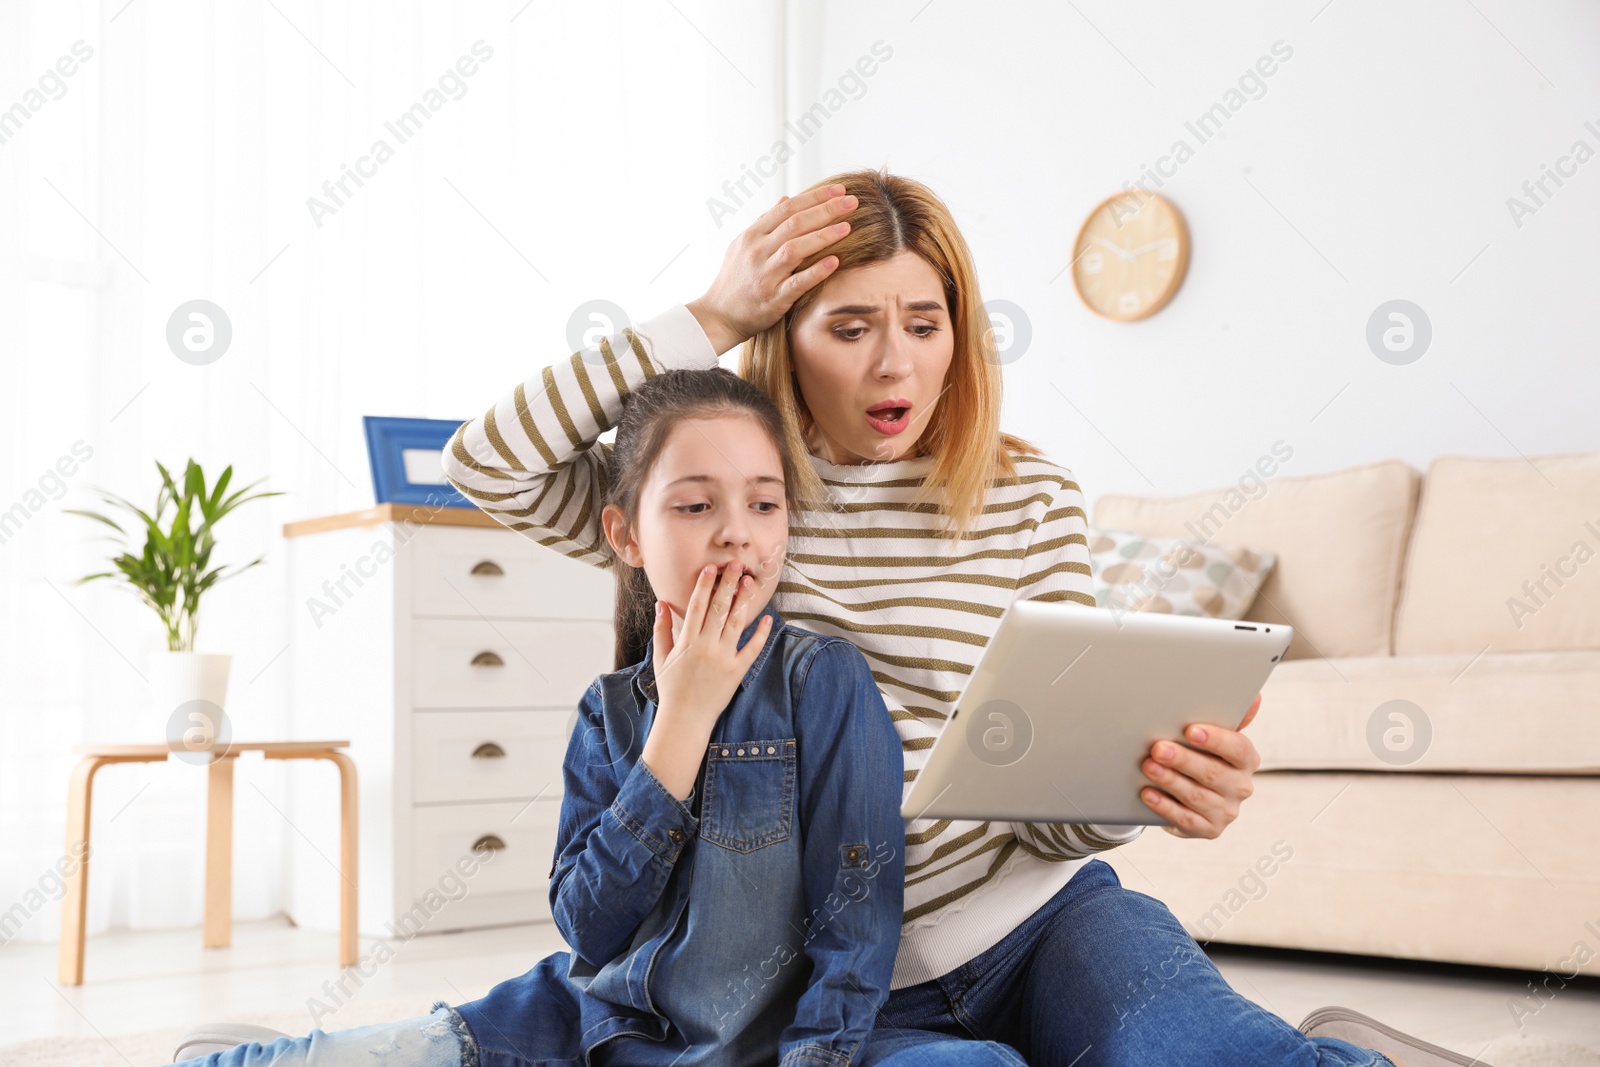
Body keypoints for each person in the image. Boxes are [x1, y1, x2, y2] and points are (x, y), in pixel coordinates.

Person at [436, 169, 1482, 1067]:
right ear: (783, 343)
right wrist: (711, 313)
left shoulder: (1031, 495)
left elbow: (1052, 806)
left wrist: (1147, 785)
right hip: (844, 982)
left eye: (923, 324)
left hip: (1046, 918)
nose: (895, 363)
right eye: (849, 328)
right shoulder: (733, 504)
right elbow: (485, 460)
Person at [171, 368, 912, 1067]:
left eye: (763, 502)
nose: (737, 533)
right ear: (625, 536)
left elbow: (856, 928)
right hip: (579, 1027)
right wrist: (678, 724)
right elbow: (588, 925)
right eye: (695, 505)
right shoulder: (609, 709)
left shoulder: (825, 681)